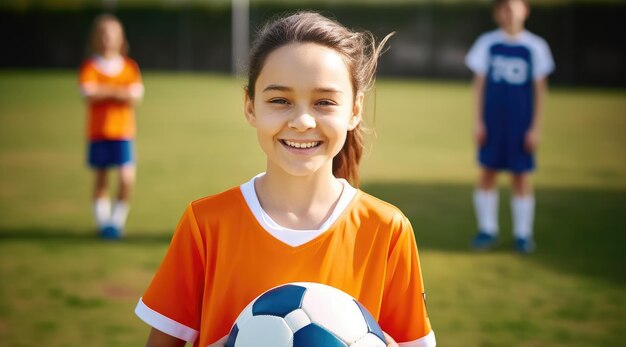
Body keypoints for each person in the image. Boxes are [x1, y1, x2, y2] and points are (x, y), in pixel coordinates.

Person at [135, 11, 436, 347]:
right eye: (280, 100)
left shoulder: (387, 229)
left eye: (324, 102)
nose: (303, 120)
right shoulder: (206, 224)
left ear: (354, 110)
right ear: (250, 105)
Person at [465, 0, 555, 254]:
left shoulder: (535, 46)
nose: (510, 13)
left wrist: (535, 128)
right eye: (504, 8)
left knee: (521, 177)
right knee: (487, 174)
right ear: (497, 14)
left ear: (526, 10)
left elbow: (540, 91)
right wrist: (478, 122)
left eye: (515, 7)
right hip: (493, 125)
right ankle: (487, 230)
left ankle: (523, 235)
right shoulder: (487, 43)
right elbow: (479, 86)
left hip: (520, 125)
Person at [78, 14, 144, 239]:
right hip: (98, 133)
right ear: (95, 38)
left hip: (123, 132)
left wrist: (104, 91)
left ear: (120, 38)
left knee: (126, 178)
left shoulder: (128, 67)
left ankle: (116, 222)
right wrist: (118, 92)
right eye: (103, 34)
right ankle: (102, 223)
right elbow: (87, 93)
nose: (107, 38)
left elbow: (136, 95)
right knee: (101, 179)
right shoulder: (90, 66)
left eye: (112, 34)